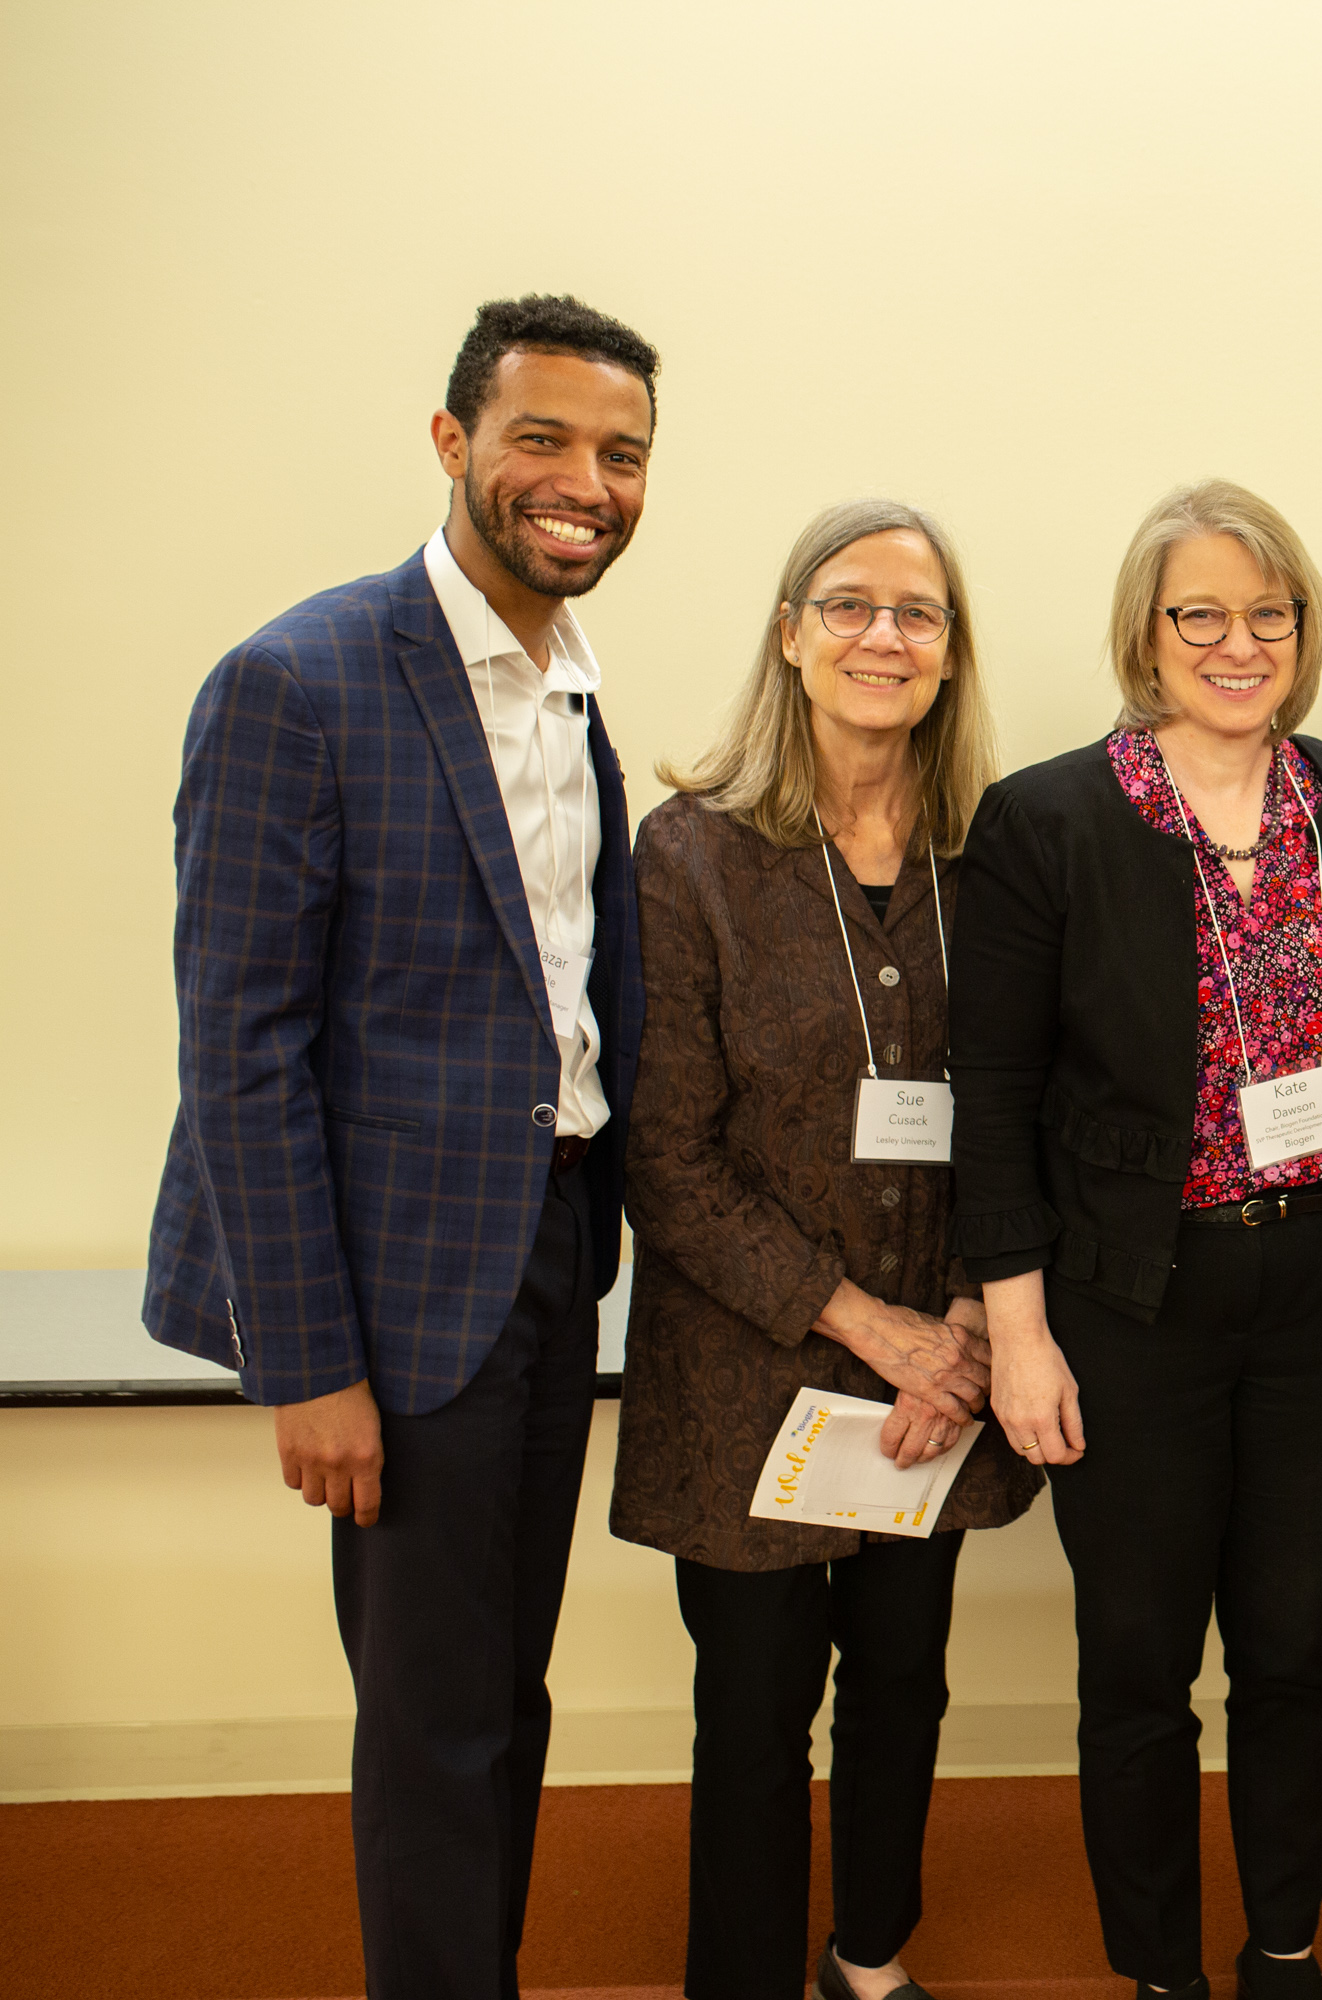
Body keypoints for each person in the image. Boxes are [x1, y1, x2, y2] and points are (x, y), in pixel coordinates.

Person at [143, 294, 658, 1998]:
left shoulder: (574, 698)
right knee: (434, 1726)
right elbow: (242, 1053)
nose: (585, 481)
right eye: (545, 439)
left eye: (621, 454)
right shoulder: (298, 681)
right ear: (453, 444)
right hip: (395, 1300)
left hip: (543, 1262)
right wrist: (307, 1362)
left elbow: (564, 996)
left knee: (506, 1702)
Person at [949, 481, 1322, 2000]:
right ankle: (1159, 1975)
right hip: (1129, 1302)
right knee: (1139, 1669)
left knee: (1291, 1651)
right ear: (1146, 634)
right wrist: (1016, 1332)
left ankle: (1282, 1949)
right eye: (1197, 613)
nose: (1236, 641)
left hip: (1318, 1289)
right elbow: (996, 1097)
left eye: (1265, 613)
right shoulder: (1051, 818)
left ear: (1302, 628)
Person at [612, 499, 1044, 2000]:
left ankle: (870, 1955)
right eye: (849, 605)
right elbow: (662, 1158)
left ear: (949, 655)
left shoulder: (995, 859)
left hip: (945, 1364)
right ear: (792, 635)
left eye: (917, 614)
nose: (883, 635)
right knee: (752, 1704)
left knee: (903, 1691)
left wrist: (971, 1335)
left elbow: (1026, 1108)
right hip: (749, 1373)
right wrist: (878, 1330)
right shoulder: (691, 858)